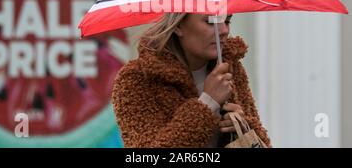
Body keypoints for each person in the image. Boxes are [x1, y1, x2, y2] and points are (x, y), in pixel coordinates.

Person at [112, 12, 271, 148]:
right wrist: (208, 103)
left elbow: (262, 142)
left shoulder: (230, 66)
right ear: (178, 25)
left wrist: (243, 126)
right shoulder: (137, 78)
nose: (223, 30)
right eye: (211, 21)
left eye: (227, 20)